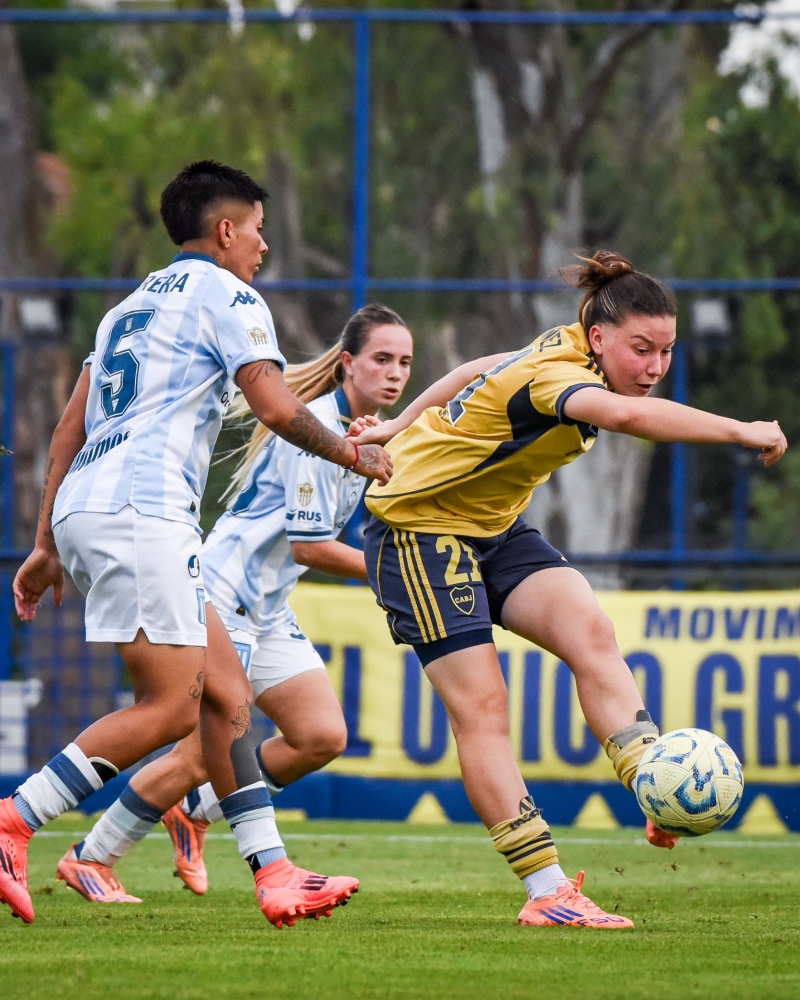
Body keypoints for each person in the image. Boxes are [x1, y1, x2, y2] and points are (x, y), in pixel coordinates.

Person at [2, 161, 392, 928]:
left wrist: (47, 544)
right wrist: (352, 453)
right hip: (144, 510)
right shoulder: (229, 295)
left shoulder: (127, 308)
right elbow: (274, 406)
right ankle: (15, 820)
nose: (263, 246)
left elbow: (68, 429)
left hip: (92, 505)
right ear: (224, 230)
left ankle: (274, 873)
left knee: (225, 694)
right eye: (257, 230)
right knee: (169, 711)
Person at [350, 250, 787, 930]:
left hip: (492, 526)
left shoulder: (563, 347)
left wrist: (398, 422)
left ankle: (652, 781)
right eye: (641, 349)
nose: (655, 367)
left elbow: (476, 369)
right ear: (598, 338)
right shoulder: (563, 376)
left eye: (666, 350)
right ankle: (547, 890)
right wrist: (740, 429)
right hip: (418, 530)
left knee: (592, 633)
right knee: (484, 709)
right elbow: (629, 419)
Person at [55, 303, 413, 899]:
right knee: (201, 752)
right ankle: (91, 857)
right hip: (225, 592)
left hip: (266, 606)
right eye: (382, 359)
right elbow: (309, 547)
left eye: (404, 361)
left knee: (320, 736)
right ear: (348, 364)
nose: (395, 372)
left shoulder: (360, 432)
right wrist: (396, 574)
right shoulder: (318, 433)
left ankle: (194, 810)